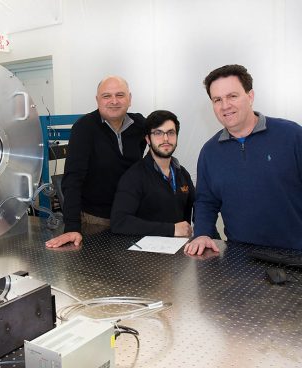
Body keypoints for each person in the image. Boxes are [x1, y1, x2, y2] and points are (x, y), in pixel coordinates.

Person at [185, 64, 302, 256]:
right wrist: (203, 233)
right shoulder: (210, 151)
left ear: (250, 96)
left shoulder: (292, 136)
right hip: (240, 258)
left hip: (295, 255)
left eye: (232, 96)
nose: (225, 105)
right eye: (217, 99)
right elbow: (206, 201)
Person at [45, 76, 146, 248]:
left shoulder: (140, 125)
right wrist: (72, 227)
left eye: (120, 95)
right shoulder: (84, 128)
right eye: (107, 96)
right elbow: (72, 180)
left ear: (130, 99)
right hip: (97, 221)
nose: (114, 101)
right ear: (97, 100)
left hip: (132, 217)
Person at [111, 110, 194, 237]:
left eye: (171, 133)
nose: (166, 138)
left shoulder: (183, 174)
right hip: (145, 254)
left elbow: (200, 209)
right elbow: (119, 222)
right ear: (148, 139)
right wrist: (170, 230)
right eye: (158, 133)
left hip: (179, 251)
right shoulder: (134, 177)